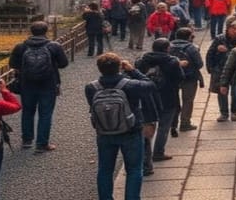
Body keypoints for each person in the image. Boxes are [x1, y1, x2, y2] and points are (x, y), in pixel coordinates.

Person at [85, 53, 156, 200]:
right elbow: (150, 85)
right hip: (131, 131)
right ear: (119, 67)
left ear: (99, 68)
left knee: (105, 170)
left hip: (104, 132)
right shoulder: (131, 85)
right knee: (134, 169)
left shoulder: (91, 87)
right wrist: (132, 70)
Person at [9, 21, 69, 153]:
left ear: (31, 31)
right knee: (45, 114)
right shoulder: (54, 46)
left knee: (28, 112)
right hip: (48, 84)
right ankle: (42, 144)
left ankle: (27, 140)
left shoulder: (21, 47)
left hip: (27, 84)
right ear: (45, 31)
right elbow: (64, 63)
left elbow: (13, 63)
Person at [135, 38, 185, 162]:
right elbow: (180, 77)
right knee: (164, 127)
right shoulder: (172, 61)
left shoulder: (142, 60)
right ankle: (158, 152)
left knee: (147, 126)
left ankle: (144, 155)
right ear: (167, 48)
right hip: (168, 97)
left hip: (148, 97)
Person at [206, 19, 236, 122]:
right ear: (228, 29)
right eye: (234, 28)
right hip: (220, 69)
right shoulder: (220, 39)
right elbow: (210, 53)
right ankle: (224, 113)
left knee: (235, 92)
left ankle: (234, 112)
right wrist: (210, 68)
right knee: (222, 92)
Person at [170, 28, 204, 134]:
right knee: (188, 101)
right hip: (189, 77)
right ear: (189, 37)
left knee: (173, 101)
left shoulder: (168, 46)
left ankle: (172, 123)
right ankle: (185, 123)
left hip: (172, 77)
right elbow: (199, 64)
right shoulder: (191, 48)